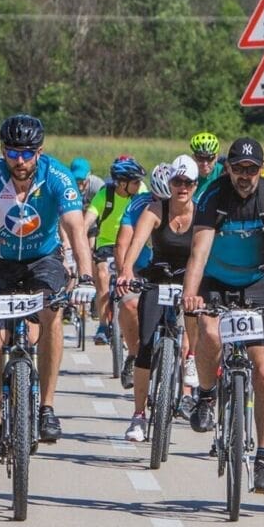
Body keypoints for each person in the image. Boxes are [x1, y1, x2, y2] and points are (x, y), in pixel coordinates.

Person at [0, 114, 96, 465]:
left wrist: (86, 278)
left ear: (39, 152)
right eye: (12, 153)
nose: (20, 161)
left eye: (27, 153)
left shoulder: (57, 176)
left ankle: (46, 407)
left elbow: (75, 229)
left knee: (51, 311)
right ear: (2, 151)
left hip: (43, 260)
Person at [181, 137, 264, 494]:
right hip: (217, 279)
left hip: (259, 282)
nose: (245, 175)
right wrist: (190, 294)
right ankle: (205, 394)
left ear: (261, 170)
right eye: (238, 169)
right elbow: (198, 253)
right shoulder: (212, 197)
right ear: (227, 168)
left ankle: (263, 458)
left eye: (252, 169)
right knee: (210, 333)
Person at [117, 156, 200, 441]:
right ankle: (138, 415)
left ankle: (190, 357)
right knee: (145, 347)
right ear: (170, 183)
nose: (182, 188)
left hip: (187, 281)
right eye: (177, 182)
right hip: (158, 278)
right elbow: (136, 241)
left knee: (195, 309)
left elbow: (206, 254)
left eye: (188, 183)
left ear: (195, 186)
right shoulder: (155, 209)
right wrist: (127, 270)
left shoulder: (202, 215)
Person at [111, 162, 172, 389]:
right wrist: (124, 274)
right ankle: (134, 354)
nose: (163, 206)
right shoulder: (139, 204)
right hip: (141, 270)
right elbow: (122, 243)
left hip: (174, 271)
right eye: (158, 199)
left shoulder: (188, 206)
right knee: (128, 304)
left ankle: (189, 379)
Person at [85, 157, 148, 348]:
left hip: (131, 245)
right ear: (122, 183)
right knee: (102, 276)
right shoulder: (105, 195)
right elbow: (87, 220)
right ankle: (103, 326)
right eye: (135, 181)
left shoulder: (141, 193)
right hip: (106, 243)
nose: (139, 185)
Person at [189, 132, 223, 197]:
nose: (205, 163)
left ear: (216, 157)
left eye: (210, 158)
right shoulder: (187, 175)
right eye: (200, 158)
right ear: (193, 157)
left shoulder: (223, 172)